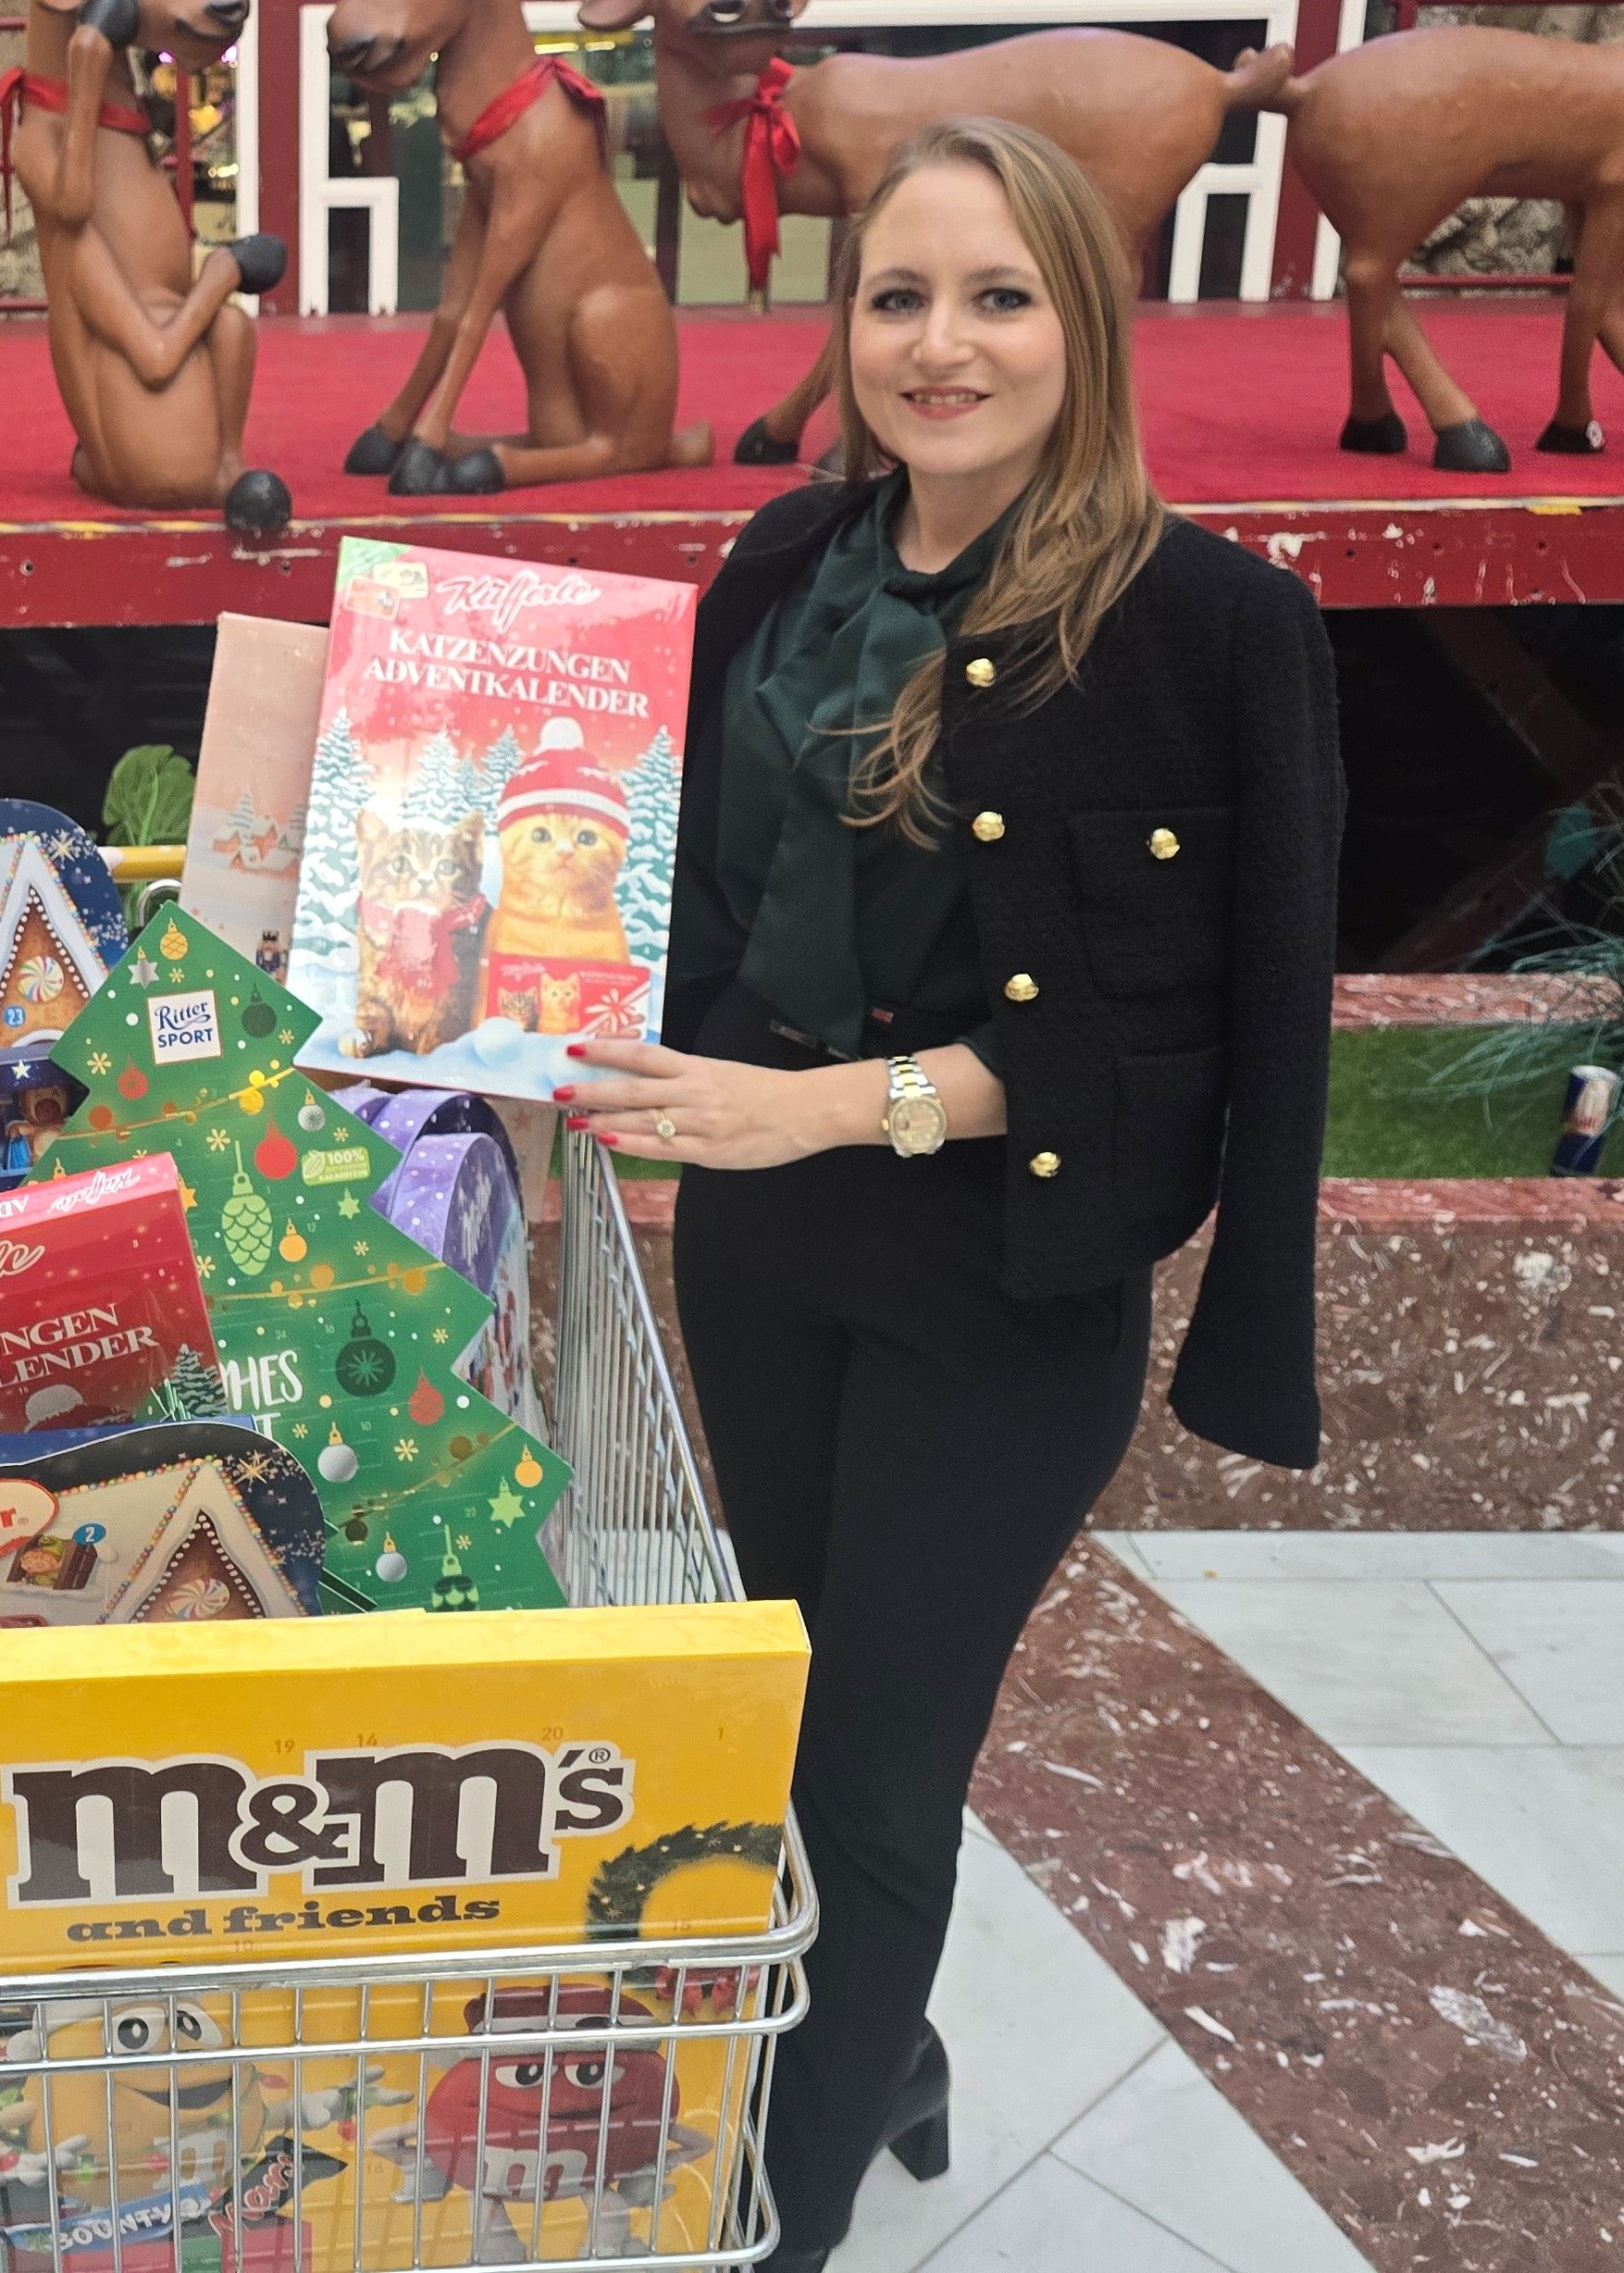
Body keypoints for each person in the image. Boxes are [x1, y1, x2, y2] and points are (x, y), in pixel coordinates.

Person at [559, 118, 1339, 2267]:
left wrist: (815, 1113)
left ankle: (761, 2233)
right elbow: (656, 895)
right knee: (785, 1703)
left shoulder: (1201, 627)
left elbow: (1188, 1042)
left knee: (873, 1780)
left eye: (995, 296)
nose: (939, 343)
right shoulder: (774, 568)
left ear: (1080, 326)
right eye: (896, 296)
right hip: (760, 1256)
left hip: (994, 1285)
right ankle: (875, 2057)